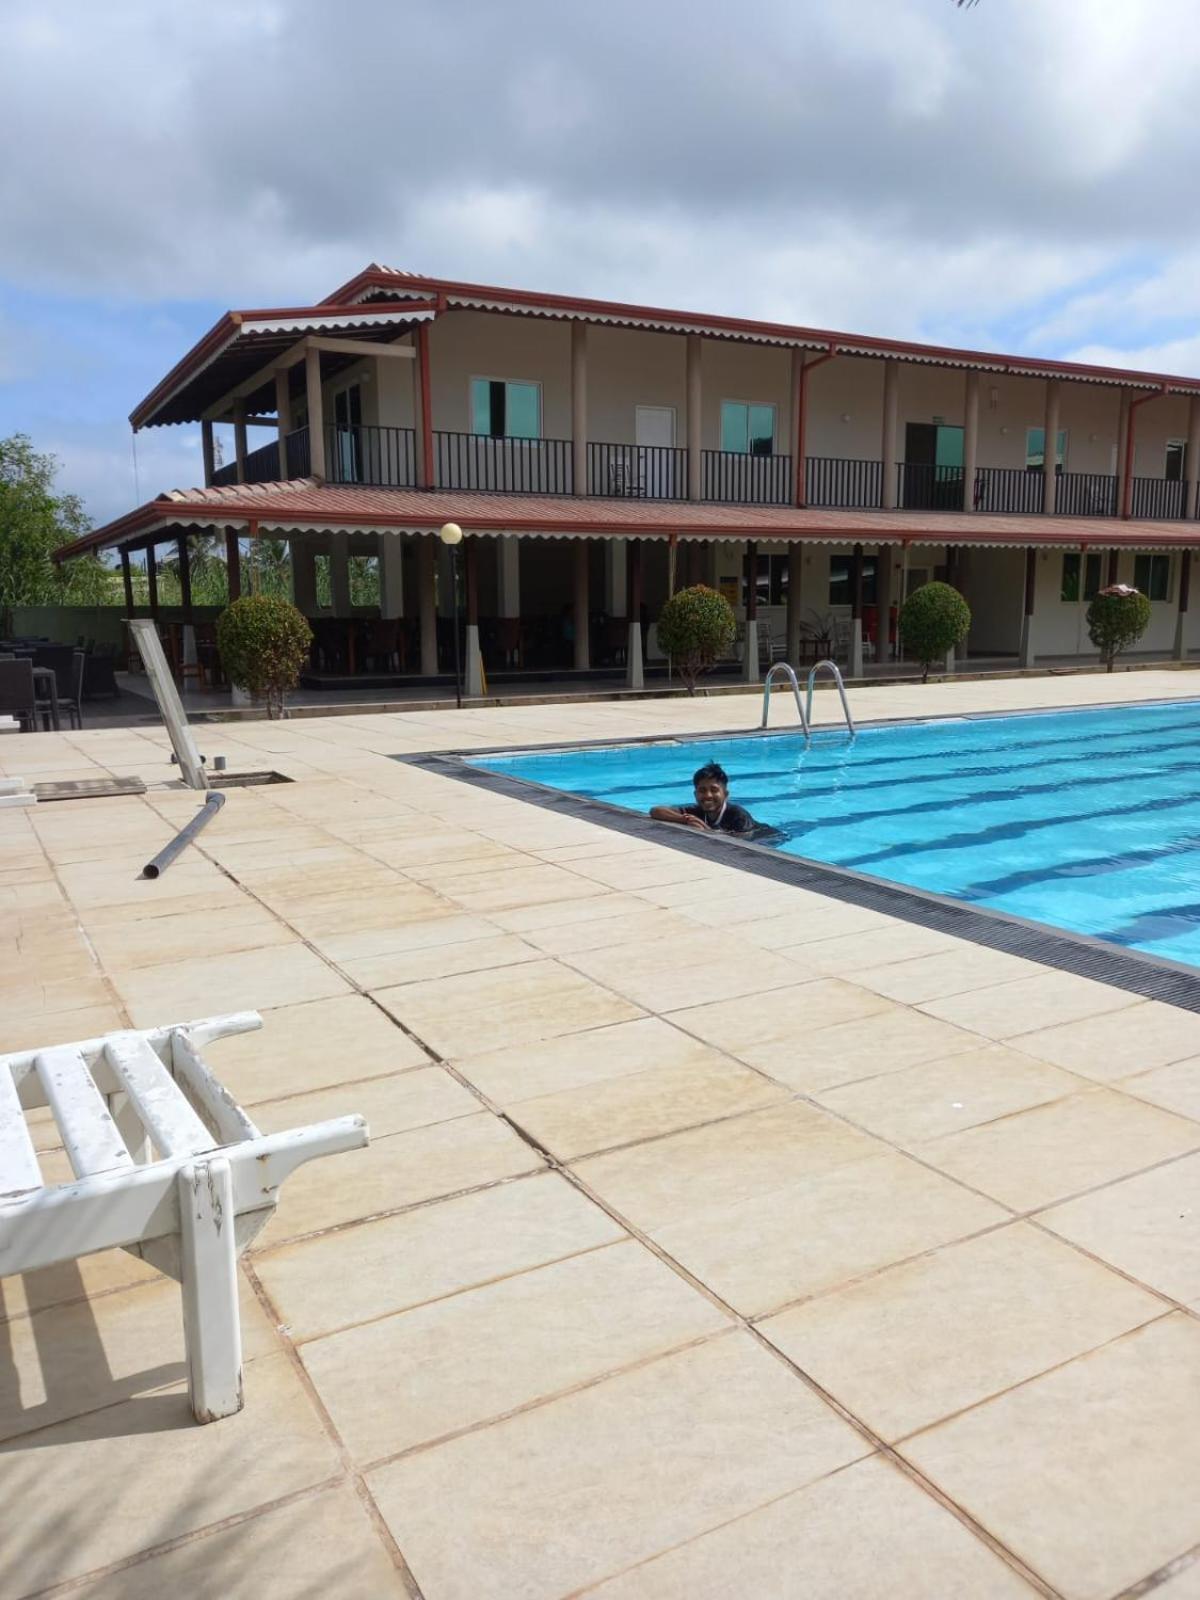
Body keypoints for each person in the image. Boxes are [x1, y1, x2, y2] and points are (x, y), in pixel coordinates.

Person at [650, 761, 757, 836]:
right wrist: (685, 819)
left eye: (714, 790)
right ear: (695, 794)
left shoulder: (738, 815)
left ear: (726, 794)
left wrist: (707, 831)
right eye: (702, 790)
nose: (708, 795)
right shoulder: (697, 811)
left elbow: (744, 844)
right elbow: (655, 811)